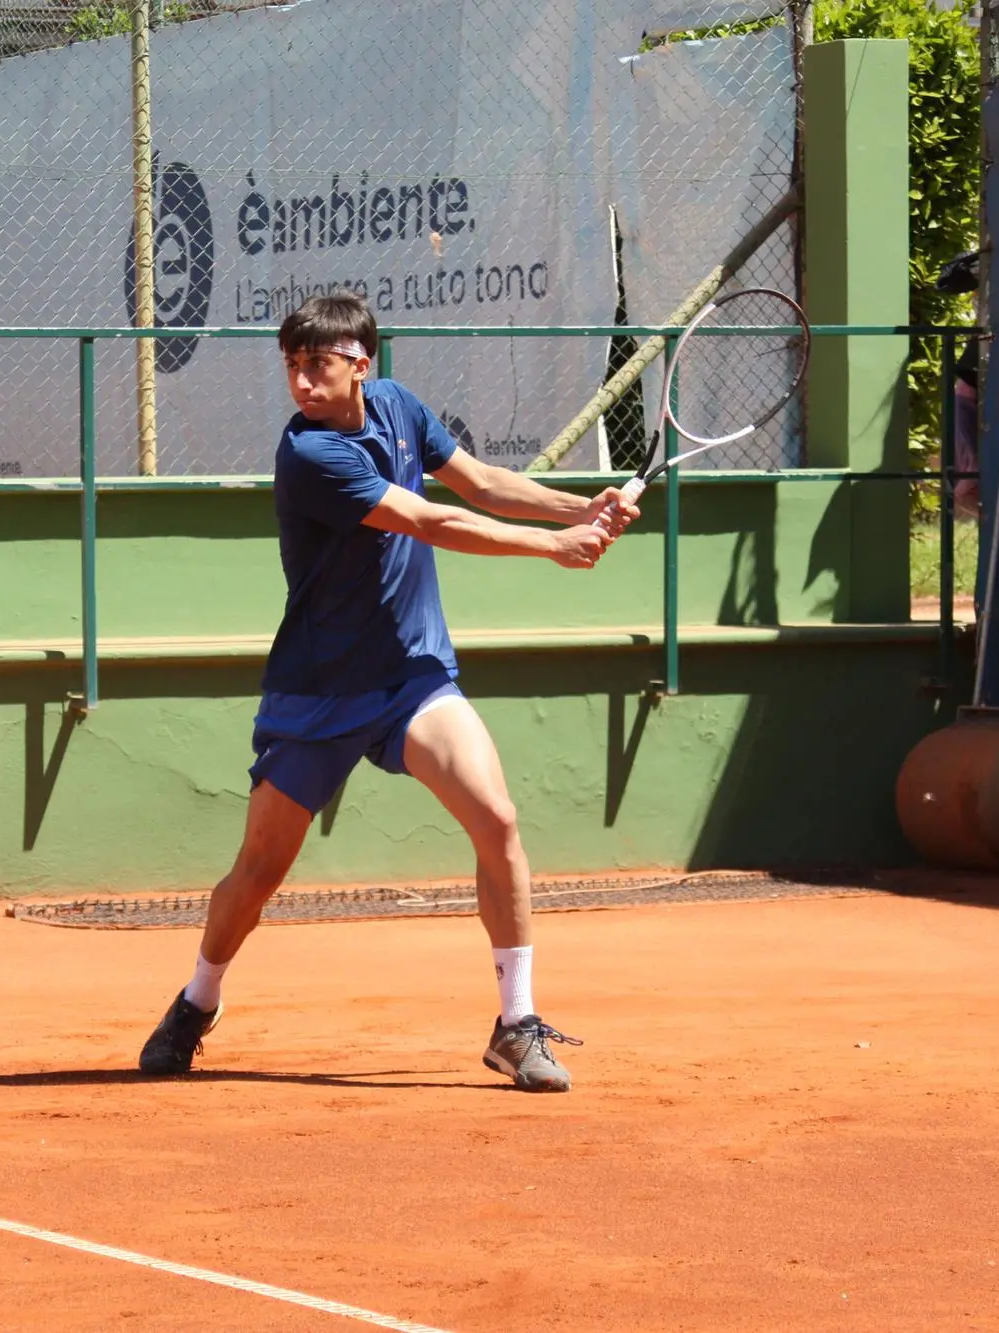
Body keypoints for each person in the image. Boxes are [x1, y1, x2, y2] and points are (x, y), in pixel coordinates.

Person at [136, 292, 640, 1092]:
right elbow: (430, 521)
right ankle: (198, 999)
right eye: (292, 366)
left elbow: (480, 482)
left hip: (410, 676)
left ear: (360, 364)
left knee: (496, 818)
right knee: (258, 869)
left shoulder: (399, 406)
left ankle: (516, 1024)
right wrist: (552, 545)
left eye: (317, 364)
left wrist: (584, 505)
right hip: (318, 691)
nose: (302, 382)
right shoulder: (309, 454)